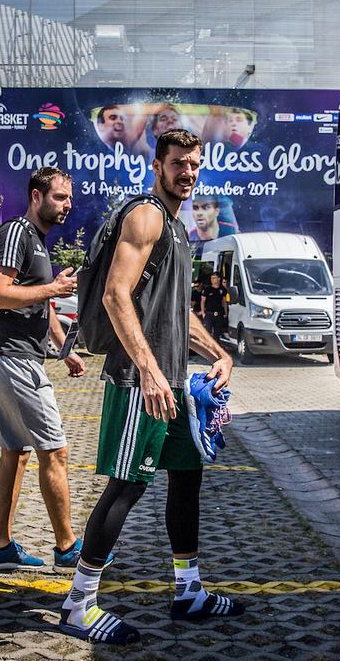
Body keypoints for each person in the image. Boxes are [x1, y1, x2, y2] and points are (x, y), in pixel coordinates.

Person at [59, 129, 244, 646]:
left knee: (187, 478)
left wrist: (220, 353)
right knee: (128, 485)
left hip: (174, 381)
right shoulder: (145, 216)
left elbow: (177, 313)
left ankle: (188, 590)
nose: (188, 172)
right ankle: (79, 604)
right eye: (178, 163)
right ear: (158, 166)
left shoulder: (180, 230)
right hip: (140, 379)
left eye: (194, 163)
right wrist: (147, 369)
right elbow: (117, 296)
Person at [0, 167, 90, 572]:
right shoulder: (15, 234)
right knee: (55, 451)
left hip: (15, 356)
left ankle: (0, 548)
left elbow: (39, 305)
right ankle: (67, 549)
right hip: (12, 358)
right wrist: (53, 289)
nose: (67, 205)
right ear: (36, 195)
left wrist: (64, 349)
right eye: (60, 197)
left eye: (69, 199)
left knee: (16, 452)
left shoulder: (38, 242)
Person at [200, 271, 229, 342]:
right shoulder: (207, 289)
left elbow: (224, 302)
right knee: (207, 332)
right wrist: (203, 312)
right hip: (209, 314)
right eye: (211, 278)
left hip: (219, 314)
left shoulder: (222, 289)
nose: (212, 280)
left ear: (219, 279)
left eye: (214, 278)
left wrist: (225, 312)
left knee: (217, 334)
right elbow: (203, 301)